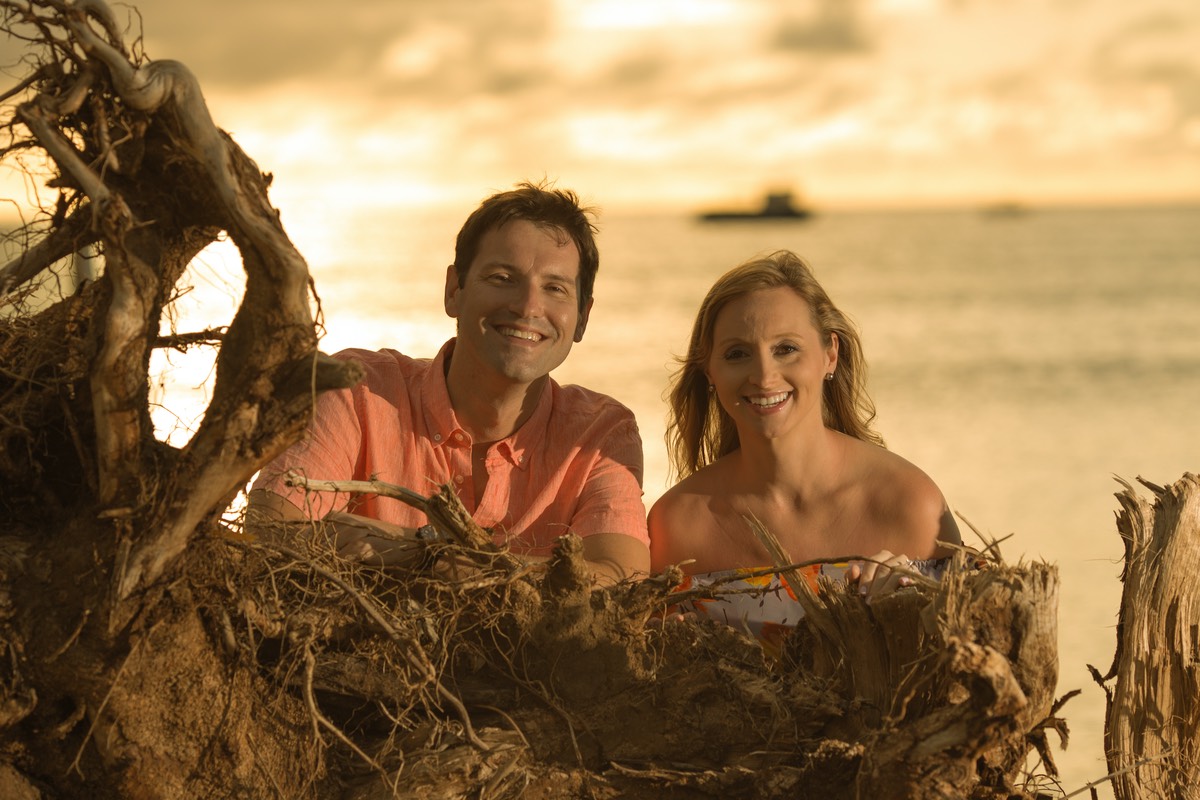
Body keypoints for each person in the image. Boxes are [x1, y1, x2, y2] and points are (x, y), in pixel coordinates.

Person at [249, 181, 651, 584]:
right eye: (501, 277)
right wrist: (534, 575)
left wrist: (427, 553)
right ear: (454, 291)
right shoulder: (356, 390)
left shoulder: (599, 434)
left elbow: (621, 581)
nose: (528, 306)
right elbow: (273, 532)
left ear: (582, 318)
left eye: (555, 288)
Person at [648, 250, 960, 641]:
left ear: (830, 354)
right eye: (737, 354)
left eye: (786, 349)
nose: (763, 376)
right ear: (710, 370)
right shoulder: (677, 525)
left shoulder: (910, 506)